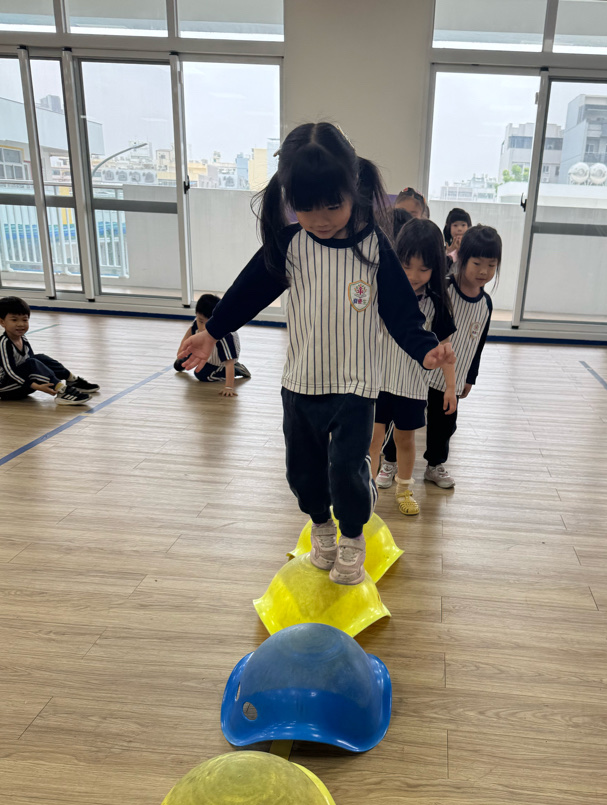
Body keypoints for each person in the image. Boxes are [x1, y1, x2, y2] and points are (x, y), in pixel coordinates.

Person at [178, 122, 454, 585]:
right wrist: (213, 332)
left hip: (355, 387)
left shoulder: (374, 247)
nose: (320, 218)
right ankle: (321, 528)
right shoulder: (291, 244)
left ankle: (352, 536)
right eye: (305, 207)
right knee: (303, 474)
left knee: (346, 471)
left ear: (353, 189)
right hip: (301, 384)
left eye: (332, 205)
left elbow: (400, 312)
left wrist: (425, 349)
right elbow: (247, 292)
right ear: (290, 199)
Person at [379, 224, 499, 490]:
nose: (483, 271)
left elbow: (475, 345)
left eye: (491, 265)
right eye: (477, 263)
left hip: (440, 377)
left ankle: (433, 465)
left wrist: (467, 378)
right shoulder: (440, 290)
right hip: (408, 375)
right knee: (392, 427)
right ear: (461, 259)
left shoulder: (478, 303)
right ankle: (388, 463)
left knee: (441, 425)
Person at [370, 218, 455, 516]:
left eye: (423, 268)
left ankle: (404, 489)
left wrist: (451, 388)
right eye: (406, 266)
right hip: (377, 381)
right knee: (372, 439)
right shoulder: (382, 293)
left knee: (405, 440)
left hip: (411, 386)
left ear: (436, 268)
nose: (413, 275)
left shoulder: (437, 304)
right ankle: (365, 490)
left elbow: (446, 350)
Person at [0, 296, 97, 405]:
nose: (21, 324)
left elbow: (32, 362)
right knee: (32, 362)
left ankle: (72, 380)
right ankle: (62, 391)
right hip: (6, 389)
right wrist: (36, 386)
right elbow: (11, 373)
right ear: (2, 322)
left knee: (39, 358)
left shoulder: (22, 338)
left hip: (23, 383)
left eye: (25, 320)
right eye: (14, 320)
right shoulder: (3, 344)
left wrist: (39, 378)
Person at [174, 293, 251, 398]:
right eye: (200, 321)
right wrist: (181, 352)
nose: (203, 327)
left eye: (208, 323)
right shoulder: (197, 322)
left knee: (201, 375)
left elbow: (229, 361)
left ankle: (237, 369)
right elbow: (189, 333)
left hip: (221, 361)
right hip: (205, 353)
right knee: (179, 364)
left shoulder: (225, 336)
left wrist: (229, 387)